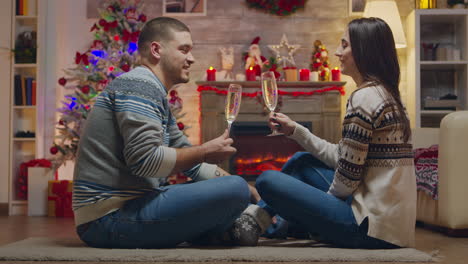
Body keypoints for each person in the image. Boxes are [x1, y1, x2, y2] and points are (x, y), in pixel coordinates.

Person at [73, 17, 269, 249]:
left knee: (234, 187)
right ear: (156, 50)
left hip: (131, 206)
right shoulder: (140, 85)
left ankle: (225, 228)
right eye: (184, 49)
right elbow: (145, 162)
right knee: (232, 189)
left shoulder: (153, 92)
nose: (192, 58)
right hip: (108, 218)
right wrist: (206, 153)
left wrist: (250, 190)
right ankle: (232, 228)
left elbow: (191, 162)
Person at [254, 17, 416, 248]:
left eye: (345, 45)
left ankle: (257, 221)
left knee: (267, 180)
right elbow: (343, 158)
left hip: (371, 229)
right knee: (302, 161)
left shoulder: (363, 98)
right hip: (393, 227)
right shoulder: (388, 95)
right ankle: (264, 222)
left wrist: (320, 211)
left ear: (364, 51)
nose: (337, 52)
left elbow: (345, 181)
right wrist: (296, 130)